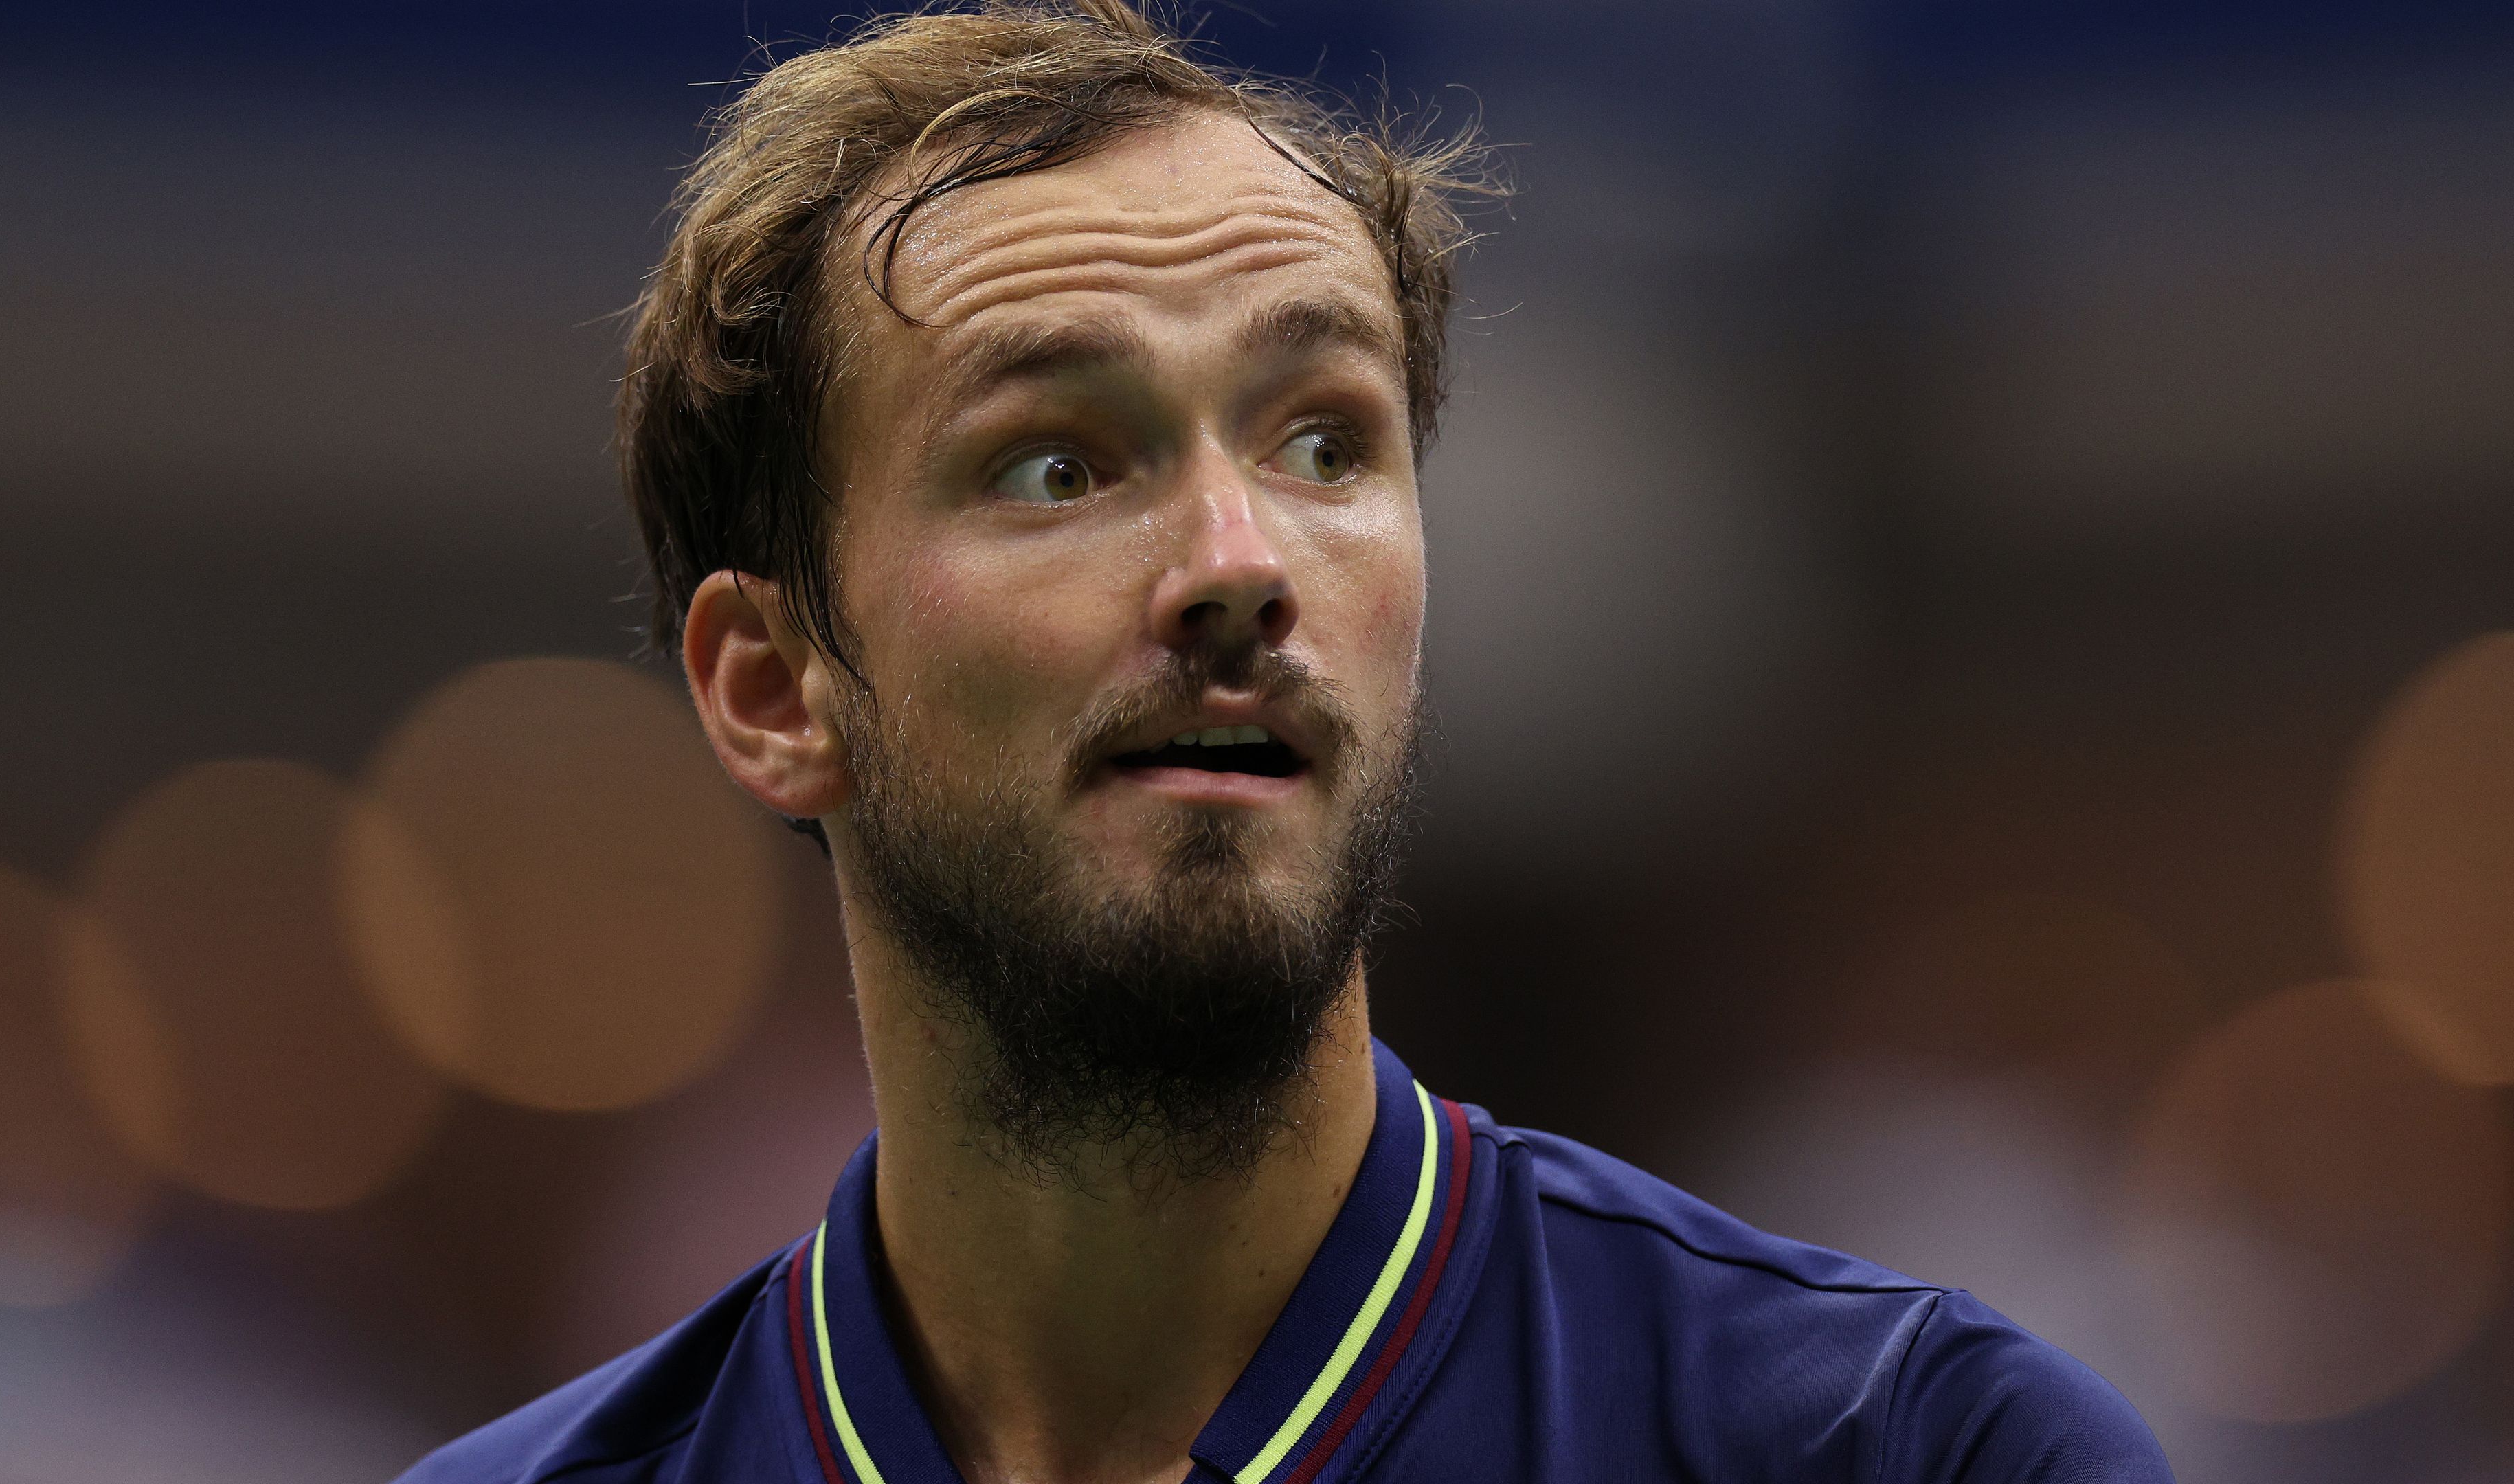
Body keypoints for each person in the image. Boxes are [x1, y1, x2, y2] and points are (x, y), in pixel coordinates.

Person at [401, 3, 2174, 1480]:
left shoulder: (1917, 1453)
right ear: (772, 690)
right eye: (1057, 465)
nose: (1240, 566)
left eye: (1324, 443)